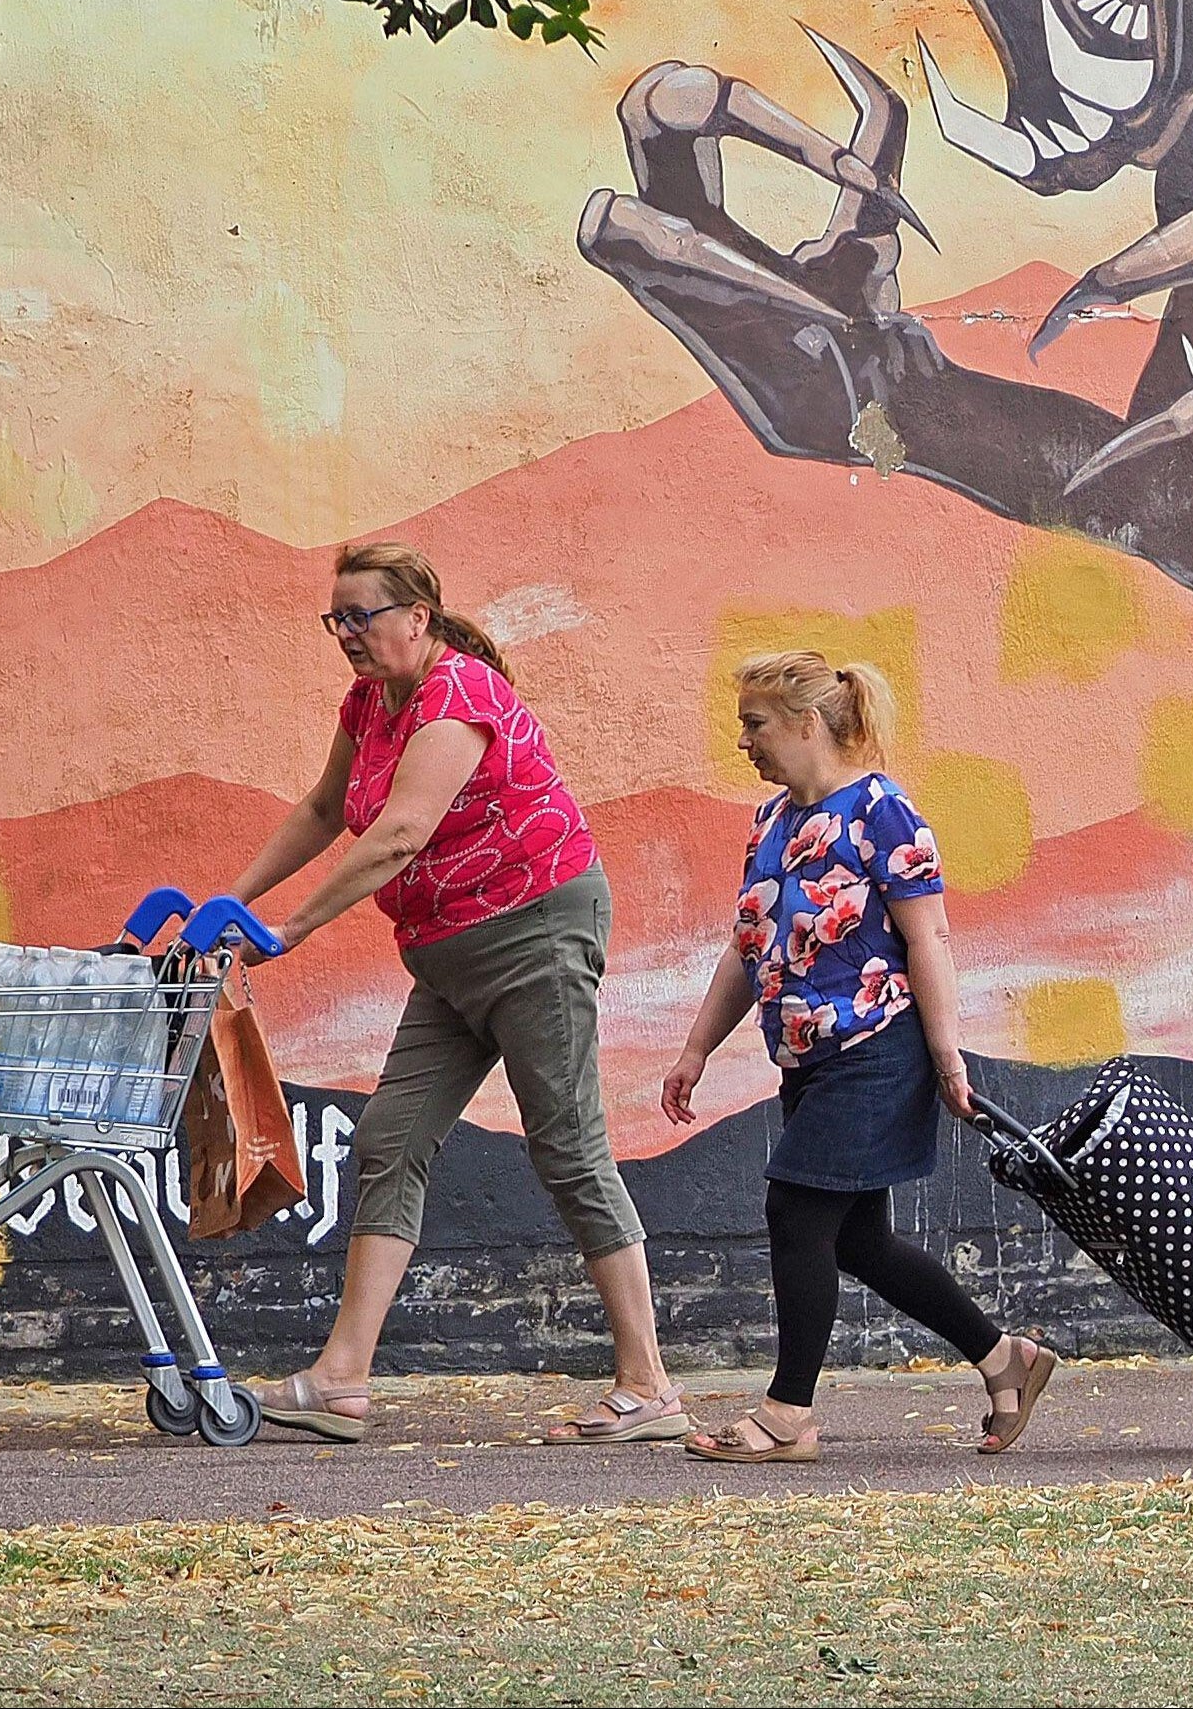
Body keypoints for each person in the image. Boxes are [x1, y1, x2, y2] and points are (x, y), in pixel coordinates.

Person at [227, 540, 687, 1445]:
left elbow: (399, 830)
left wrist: (290, 929)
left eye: (361, 616)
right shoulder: (369, 702)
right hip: (446, 952)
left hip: (534, 930)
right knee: (390, 1136)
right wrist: (233, 898)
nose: (347, 636)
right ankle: (343, 1378)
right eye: (337, 619)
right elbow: (327, 810)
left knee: (567, 1147)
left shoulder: (458, 694)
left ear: (417, 618)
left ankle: (649, 1384)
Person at [662, 651, 1057, 1463]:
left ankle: (786, 1415)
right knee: (857, 1240)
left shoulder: (882, 809)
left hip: (879, 1050)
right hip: (808, 1060)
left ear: (806, 723)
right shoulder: (772, 822)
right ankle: (1003, 1358)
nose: (743, 740)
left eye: (755, 723)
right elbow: (749, 947)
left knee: (794, 1211)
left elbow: (927, 935)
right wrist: (696, 1047)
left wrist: (946, 1055)